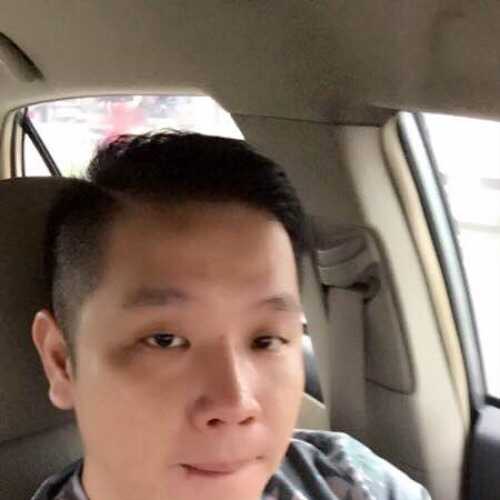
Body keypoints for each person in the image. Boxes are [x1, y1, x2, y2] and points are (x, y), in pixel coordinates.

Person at [31, 132, 431, 500]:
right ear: (61, 362)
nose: (235, 403)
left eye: (266, 340)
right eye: (165, 340)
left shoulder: (350, 478)